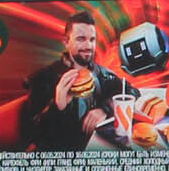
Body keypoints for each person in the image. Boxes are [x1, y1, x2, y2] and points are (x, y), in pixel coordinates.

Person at [18, 15, 128, 151]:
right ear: (66, 42)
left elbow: (130, 91)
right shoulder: (43, 78)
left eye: (92, 39)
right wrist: (57, 105)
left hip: (100, 155)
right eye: (81, 39)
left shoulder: (102, 74)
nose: (88, 46)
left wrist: (105, 109)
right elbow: (29, 135)